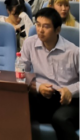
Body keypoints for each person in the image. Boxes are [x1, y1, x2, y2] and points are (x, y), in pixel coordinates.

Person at [22, 7, 80, 140]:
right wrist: (38, 87)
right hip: (43, 96)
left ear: (57, 30)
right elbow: (21, 74)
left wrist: (70, 90)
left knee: (60, 119)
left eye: (46, 26)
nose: (40, 30)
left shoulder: (73, 52)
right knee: (17, 107)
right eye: (38, 25)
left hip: (69, 100)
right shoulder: (29, 43)